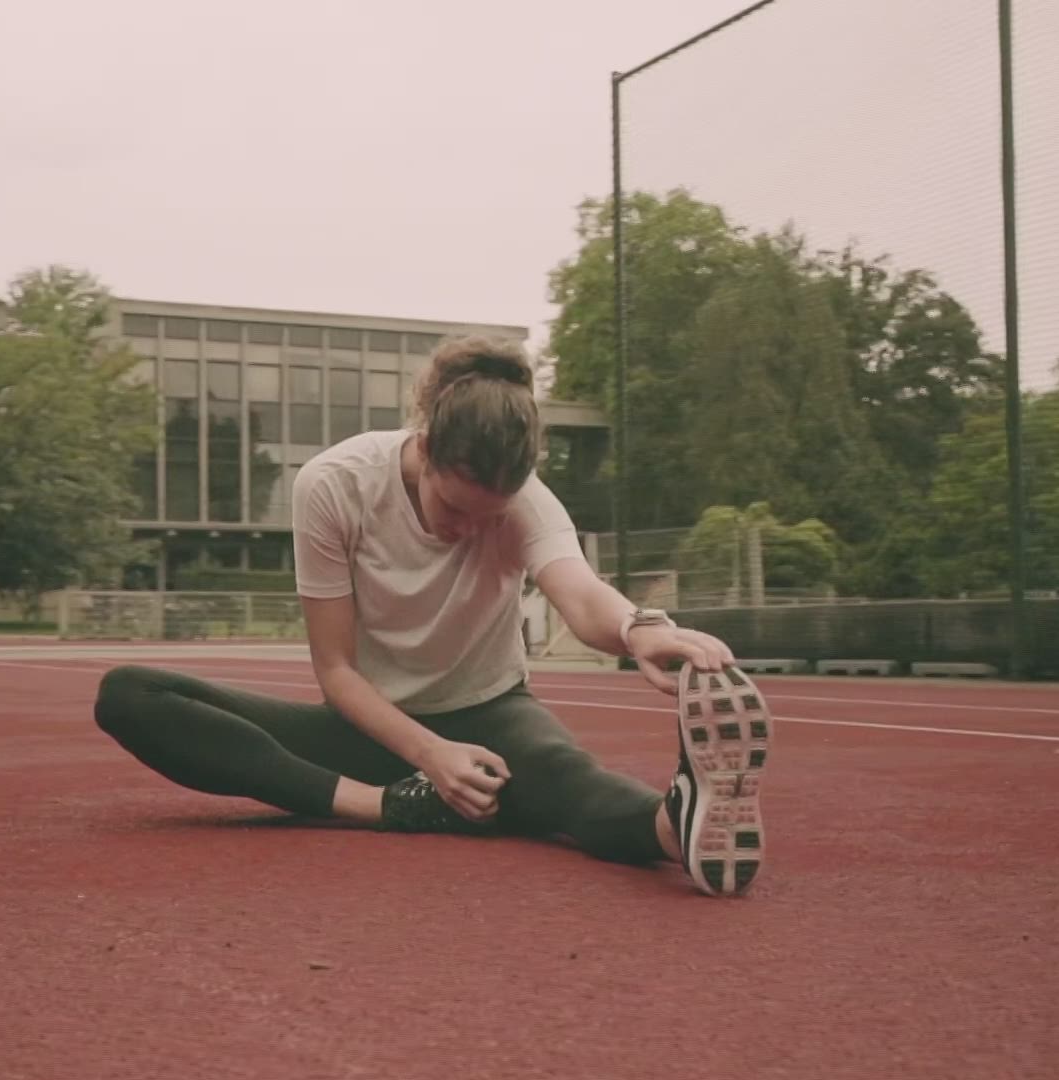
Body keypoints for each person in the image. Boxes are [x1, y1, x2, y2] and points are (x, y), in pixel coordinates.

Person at [94, 336, 772, 896]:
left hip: (491, 715)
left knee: (562, 776)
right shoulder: (334, 485)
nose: (466, 530)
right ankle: (392, 807)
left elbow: (580, 591)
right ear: (424, 446)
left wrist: (639, 628)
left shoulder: (526, 500)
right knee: (131, 696)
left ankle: (675, 825)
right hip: (369, 728)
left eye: (489, 517)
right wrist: (426, 761)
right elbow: (337, 671)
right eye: (454, 508)